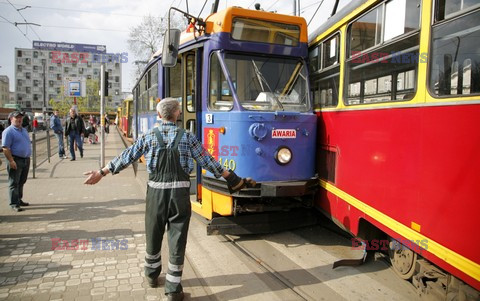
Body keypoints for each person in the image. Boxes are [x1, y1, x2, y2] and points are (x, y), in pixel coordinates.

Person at [83, 98, 254, 301]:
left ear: (159, 115)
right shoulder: (187, 138)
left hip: (156, 196)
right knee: (177, 239)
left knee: (153, 235)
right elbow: (208, 161)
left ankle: (152, 275)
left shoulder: (149, 137)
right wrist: (233, 179)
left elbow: (127, 156)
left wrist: (102, 172)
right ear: (177, 114)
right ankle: (173, 289)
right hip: (179, 197)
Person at [2, 111, 31, 212]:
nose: (19, 120)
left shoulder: (23, 130)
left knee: (22, 181)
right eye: (17, 118)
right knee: (14, 182)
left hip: (25, 159)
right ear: (11, 119)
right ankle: (14, 203)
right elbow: (5, 148)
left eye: (20, 118)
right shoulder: (8, 131)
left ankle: (19, 199)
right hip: (15, 159)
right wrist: (11, 161)